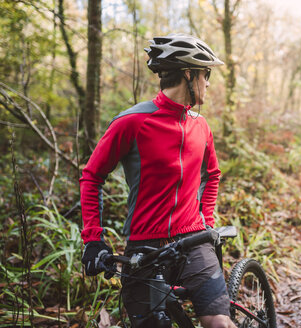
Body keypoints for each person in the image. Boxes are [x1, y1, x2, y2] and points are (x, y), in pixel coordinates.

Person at [80, 33, 236, 328]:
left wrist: (207, 219)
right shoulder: (132, 123)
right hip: (144, 246)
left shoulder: (200, 125)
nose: (208, 83)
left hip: (193, 240)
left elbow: (212, 174)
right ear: (189, 74)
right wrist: (93, 239)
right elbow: (92, 177)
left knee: (218, 322)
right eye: (206, 75)